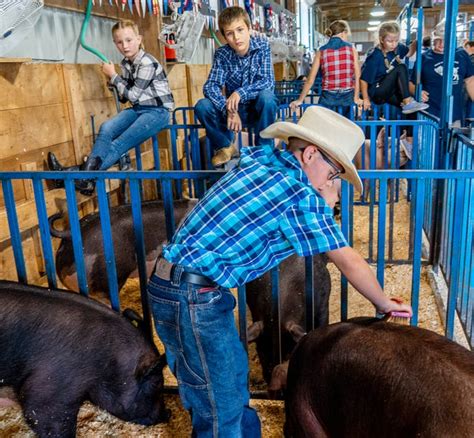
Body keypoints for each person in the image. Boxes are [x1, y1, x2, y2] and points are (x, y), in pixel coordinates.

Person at [147, 105, 413, 437]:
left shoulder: (261, 160)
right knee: (220, 401)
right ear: (311, 154)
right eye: (333, 175)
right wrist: (385, 303)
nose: (331, 184)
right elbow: (347, 259)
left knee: (227, 378)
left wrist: (324, 199)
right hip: (192, 295)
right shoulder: (298, 193)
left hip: (179, 287)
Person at [48, 19, 174, 195]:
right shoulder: (126, 64)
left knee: (118, 144)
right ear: (115, 43)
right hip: (139, 109)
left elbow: (133, 95)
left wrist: (114, 76)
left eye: (129, 40)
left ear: (139, 39)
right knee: (106, 128)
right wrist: (115, 82)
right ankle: (84, 180)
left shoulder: (147, 63)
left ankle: (73, 176)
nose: (125, 46)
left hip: (157, 112)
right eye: (119, 42)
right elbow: (125, 98)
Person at [194, 6, 278, 168]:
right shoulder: (222, 54)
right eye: (229, 33)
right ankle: (225, 146)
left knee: (267, 97)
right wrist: (229, 110)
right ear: (225, 36)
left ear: (249, 29)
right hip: (233, 114)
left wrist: (240, 93)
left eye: (240, 30)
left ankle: (264, 149)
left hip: (257, 109)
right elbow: (210, 86)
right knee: (202, 106)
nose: (236, 37)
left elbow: (267, 82)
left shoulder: (262, 46)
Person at [290, 20, 362, 115]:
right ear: (343, 33)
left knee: (326, 125)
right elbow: (357, 76)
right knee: (345, 126)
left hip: (328, 96)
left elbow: (310, 79)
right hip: (347, 96)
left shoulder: (321, 51)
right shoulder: (351, 48)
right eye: (346, 35)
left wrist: (300, 100)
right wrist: (356, 97)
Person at [409, 29, 474, 125]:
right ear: (433, 40)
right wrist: (416, 91)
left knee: (452, 139)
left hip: (454, 114)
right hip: (429, 114)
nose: (441, 44)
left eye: (445, 40)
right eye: (438, 40)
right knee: (429, 139)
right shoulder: (423, 58)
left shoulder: (461, 55)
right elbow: (411, 83)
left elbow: (470, 81)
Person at [361, 21, 428, 114]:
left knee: (412, 111)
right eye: (389, 41)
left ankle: (407, 123)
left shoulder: (398, 48)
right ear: (381, 39)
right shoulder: (375, 56)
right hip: (377, 92)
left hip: (390, 91)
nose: (393, 44)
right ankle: (407, 101)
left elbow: (409, 52)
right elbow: (364, 80)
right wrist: (365, 99)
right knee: (401, 68)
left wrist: (417, 40)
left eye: (396, 41)